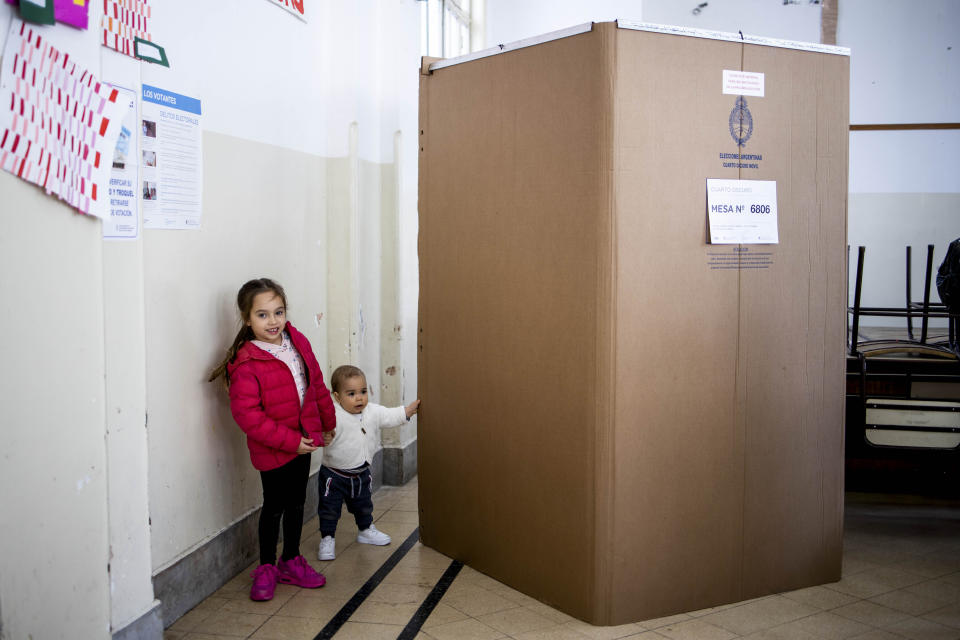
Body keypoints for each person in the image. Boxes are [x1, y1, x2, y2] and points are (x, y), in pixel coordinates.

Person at [209, 278, 336, 601]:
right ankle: (267, 566)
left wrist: (327, 423)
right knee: (274, 506)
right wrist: (289, 442)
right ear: (246, 318)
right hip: (274, 449)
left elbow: (317, 384)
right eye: (263, 315)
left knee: (297, 503)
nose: (273, 321)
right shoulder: (247, 362)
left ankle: (291, 559)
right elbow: (248, 416)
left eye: (278, 312)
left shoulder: (297, 342)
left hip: (304, 441)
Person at [317, 365, 420, 560]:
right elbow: (318, 428)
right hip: (334, 475)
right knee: (329, 509)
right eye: (351, 393)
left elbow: (389, 416)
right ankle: (327, 538)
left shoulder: (372, 411)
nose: (359, 398)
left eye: (363, 392)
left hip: (361, 473)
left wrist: (407, 411)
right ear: (337, 397)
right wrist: (321, 435)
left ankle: (365, 530)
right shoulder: (333, 415)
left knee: (364, 504)